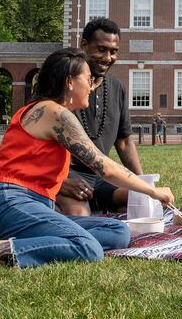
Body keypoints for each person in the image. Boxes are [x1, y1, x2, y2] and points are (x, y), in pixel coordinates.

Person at [0, 48, 174, 267]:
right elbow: (104, 166)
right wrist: (152, 191)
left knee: (118, 232)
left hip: (29, 206)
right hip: (10, 202)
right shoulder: (55, 112)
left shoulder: (50, 112)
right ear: (70, 82)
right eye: (88, 79)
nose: (92, 87)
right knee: (88, 248)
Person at [55, 18, 145, 216]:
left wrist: (142, 183)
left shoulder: (116, 87)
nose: (108, 57)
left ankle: (102, 211)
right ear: (84, 45)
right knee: (81, 216)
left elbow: (124, 142)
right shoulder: (61, 83)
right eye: (101, 49)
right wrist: (60, 182)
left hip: (102, 176)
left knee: (140, 202)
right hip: (67, 174)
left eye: (113, 51)